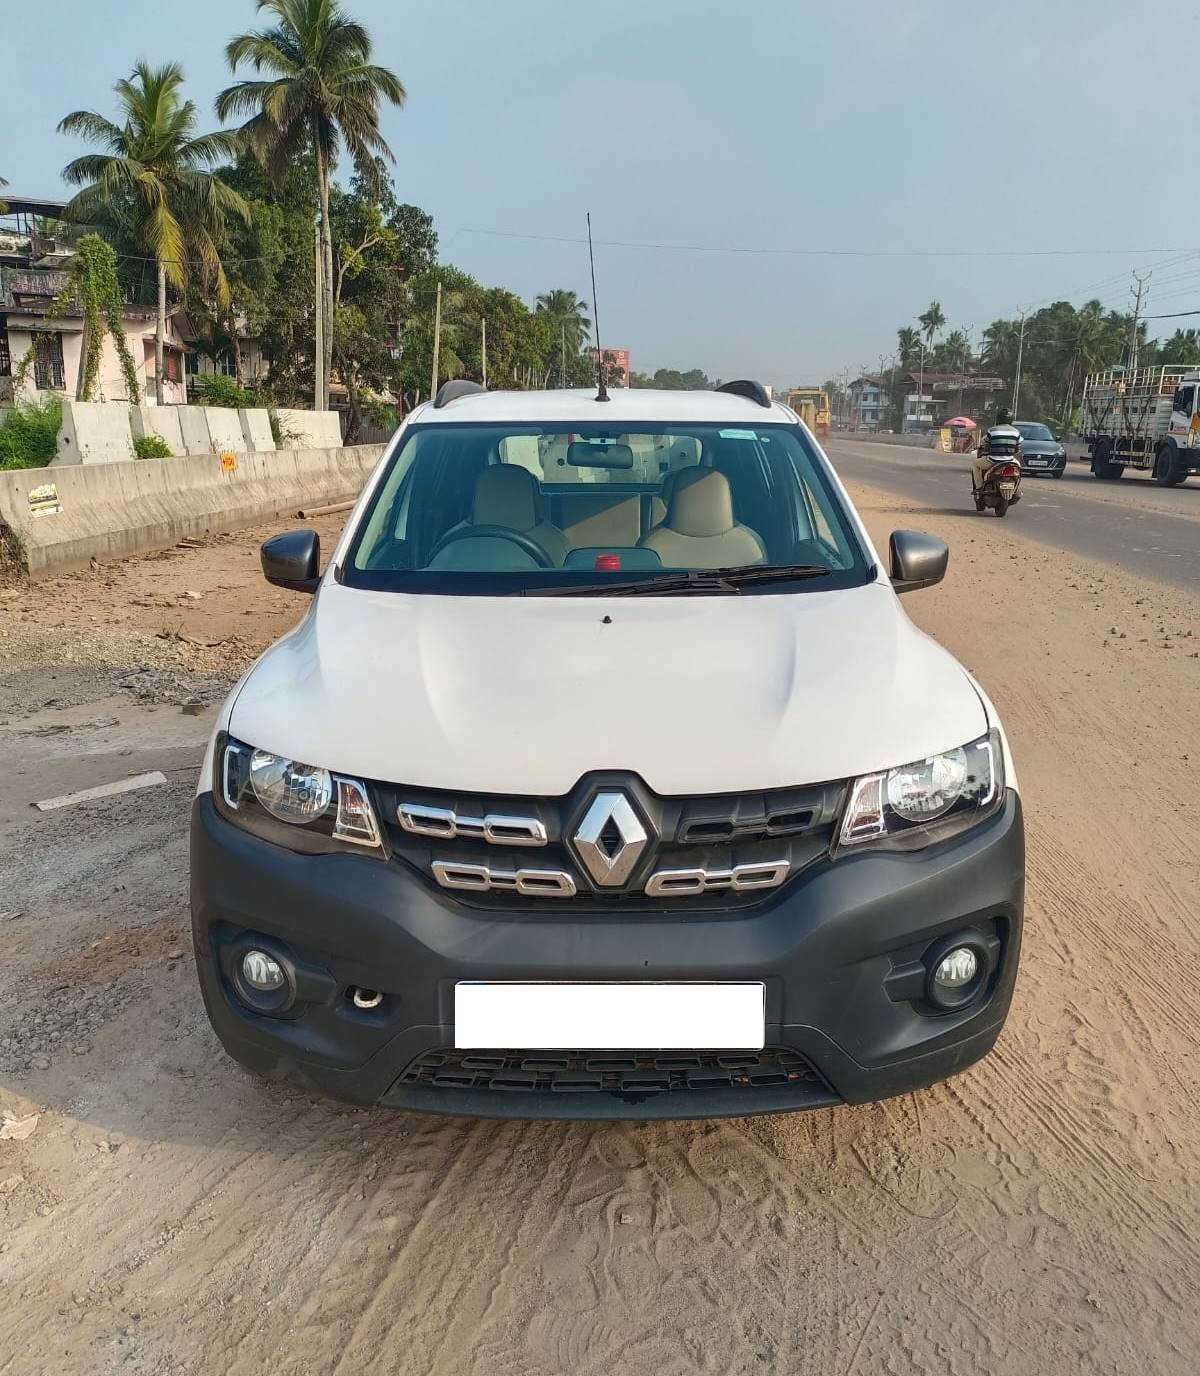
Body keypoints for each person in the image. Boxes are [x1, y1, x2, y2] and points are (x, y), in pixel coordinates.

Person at [972, 405, 1021, 493]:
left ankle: (979, 488)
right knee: (1018, 469)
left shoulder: (992, 430)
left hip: (993, 461)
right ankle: (1015, 489)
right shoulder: (1016, 432)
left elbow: (987, 446)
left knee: (975, 464)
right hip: (1010, 461)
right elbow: (1016, 449)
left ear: (998, 418)